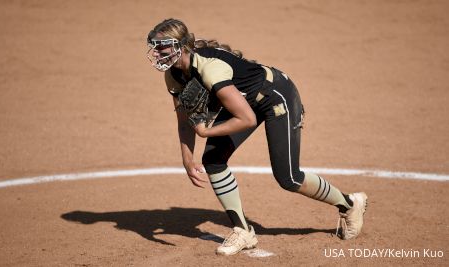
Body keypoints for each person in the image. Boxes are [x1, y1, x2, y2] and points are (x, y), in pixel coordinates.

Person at [146, 18, 368, 256]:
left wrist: (205, 131)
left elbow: (247, 119)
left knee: (288, 177)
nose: (156, 52)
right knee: (213, 160)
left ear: (180, 46)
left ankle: (349, 204)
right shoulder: (174, 76)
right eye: (154, 46)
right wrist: (187, 159)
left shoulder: (210, 68)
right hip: (243, 103)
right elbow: (184, 121)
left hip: (275, 97)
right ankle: (243, 231)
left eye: (162, 46)